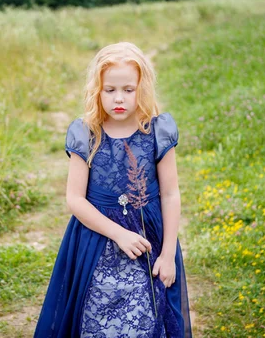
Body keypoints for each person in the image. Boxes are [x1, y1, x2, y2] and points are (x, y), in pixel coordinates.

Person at [34, 42, 192, 337]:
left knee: (145, 320)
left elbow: (170, 194)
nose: (119, 98)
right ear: (98, 90)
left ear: (141, 89)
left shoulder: (157, 131)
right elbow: (75, 198)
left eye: (128, 90)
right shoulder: (86, 134)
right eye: (110, 90)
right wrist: (118, 233)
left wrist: (168, 253)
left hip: (150, 242)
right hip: (95, 244)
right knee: (96, 320)